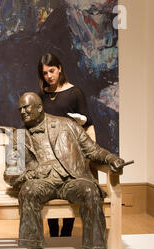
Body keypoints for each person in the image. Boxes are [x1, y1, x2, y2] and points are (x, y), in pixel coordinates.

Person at [4, 92, 125, 249]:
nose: (23, 112)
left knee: (90, 191)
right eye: (20, 109)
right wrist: (31, 173)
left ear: (39, 108)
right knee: (28, 192)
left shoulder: (66, 125)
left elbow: (92, 150)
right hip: (42, 182)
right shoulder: (19, 136)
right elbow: (10, 174)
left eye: (26, 107)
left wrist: (112, 158)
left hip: (71, 178)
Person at [37, 53, 93, 238]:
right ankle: (54, 234)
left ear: (59, 68)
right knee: (52, 192)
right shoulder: (42, 96)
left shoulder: (75, 92)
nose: (49, 76)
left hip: (70, 152)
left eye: (52, 71)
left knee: (70, 191)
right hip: (49, 154)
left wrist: (89, 152)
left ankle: (67, 233)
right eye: (45, 73)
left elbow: (87, 123)